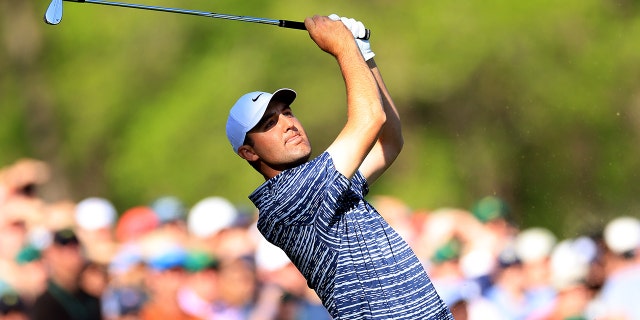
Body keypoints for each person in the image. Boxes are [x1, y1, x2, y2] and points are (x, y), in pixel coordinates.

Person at [225, 14, 452, 319]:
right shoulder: (287, 200)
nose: (288, 125)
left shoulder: (325, 184)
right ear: (249, 152)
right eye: (269, 123)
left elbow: (389, 142)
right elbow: (370, 119)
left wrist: (364, 54)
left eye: (288, 113)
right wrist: (343, 44)